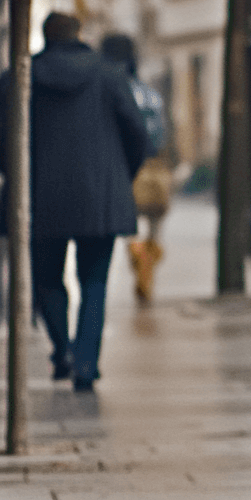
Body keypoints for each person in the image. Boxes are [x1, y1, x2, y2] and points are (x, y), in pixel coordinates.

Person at [0, 12, 149, 391]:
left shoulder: (18, 78)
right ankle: (86, 365)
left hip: (38, 197)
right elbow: (138, 134)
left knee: (46, 281)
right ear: (78, 34)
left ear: (45, 36)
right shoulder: (109, 76)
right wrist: (120, 176)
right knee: (94, 281)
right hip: (101, 199)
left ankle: (63, 351)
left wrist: (16, 173)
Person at [101, 34, 174, 303]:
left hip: (121, 166)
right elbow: (161, 133)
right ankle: (147, 269)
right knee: (154, 222)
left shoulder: (108, 90)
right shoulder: (149, 94)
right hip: (152, 166)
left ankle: (137, 256)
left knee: (128, 228)